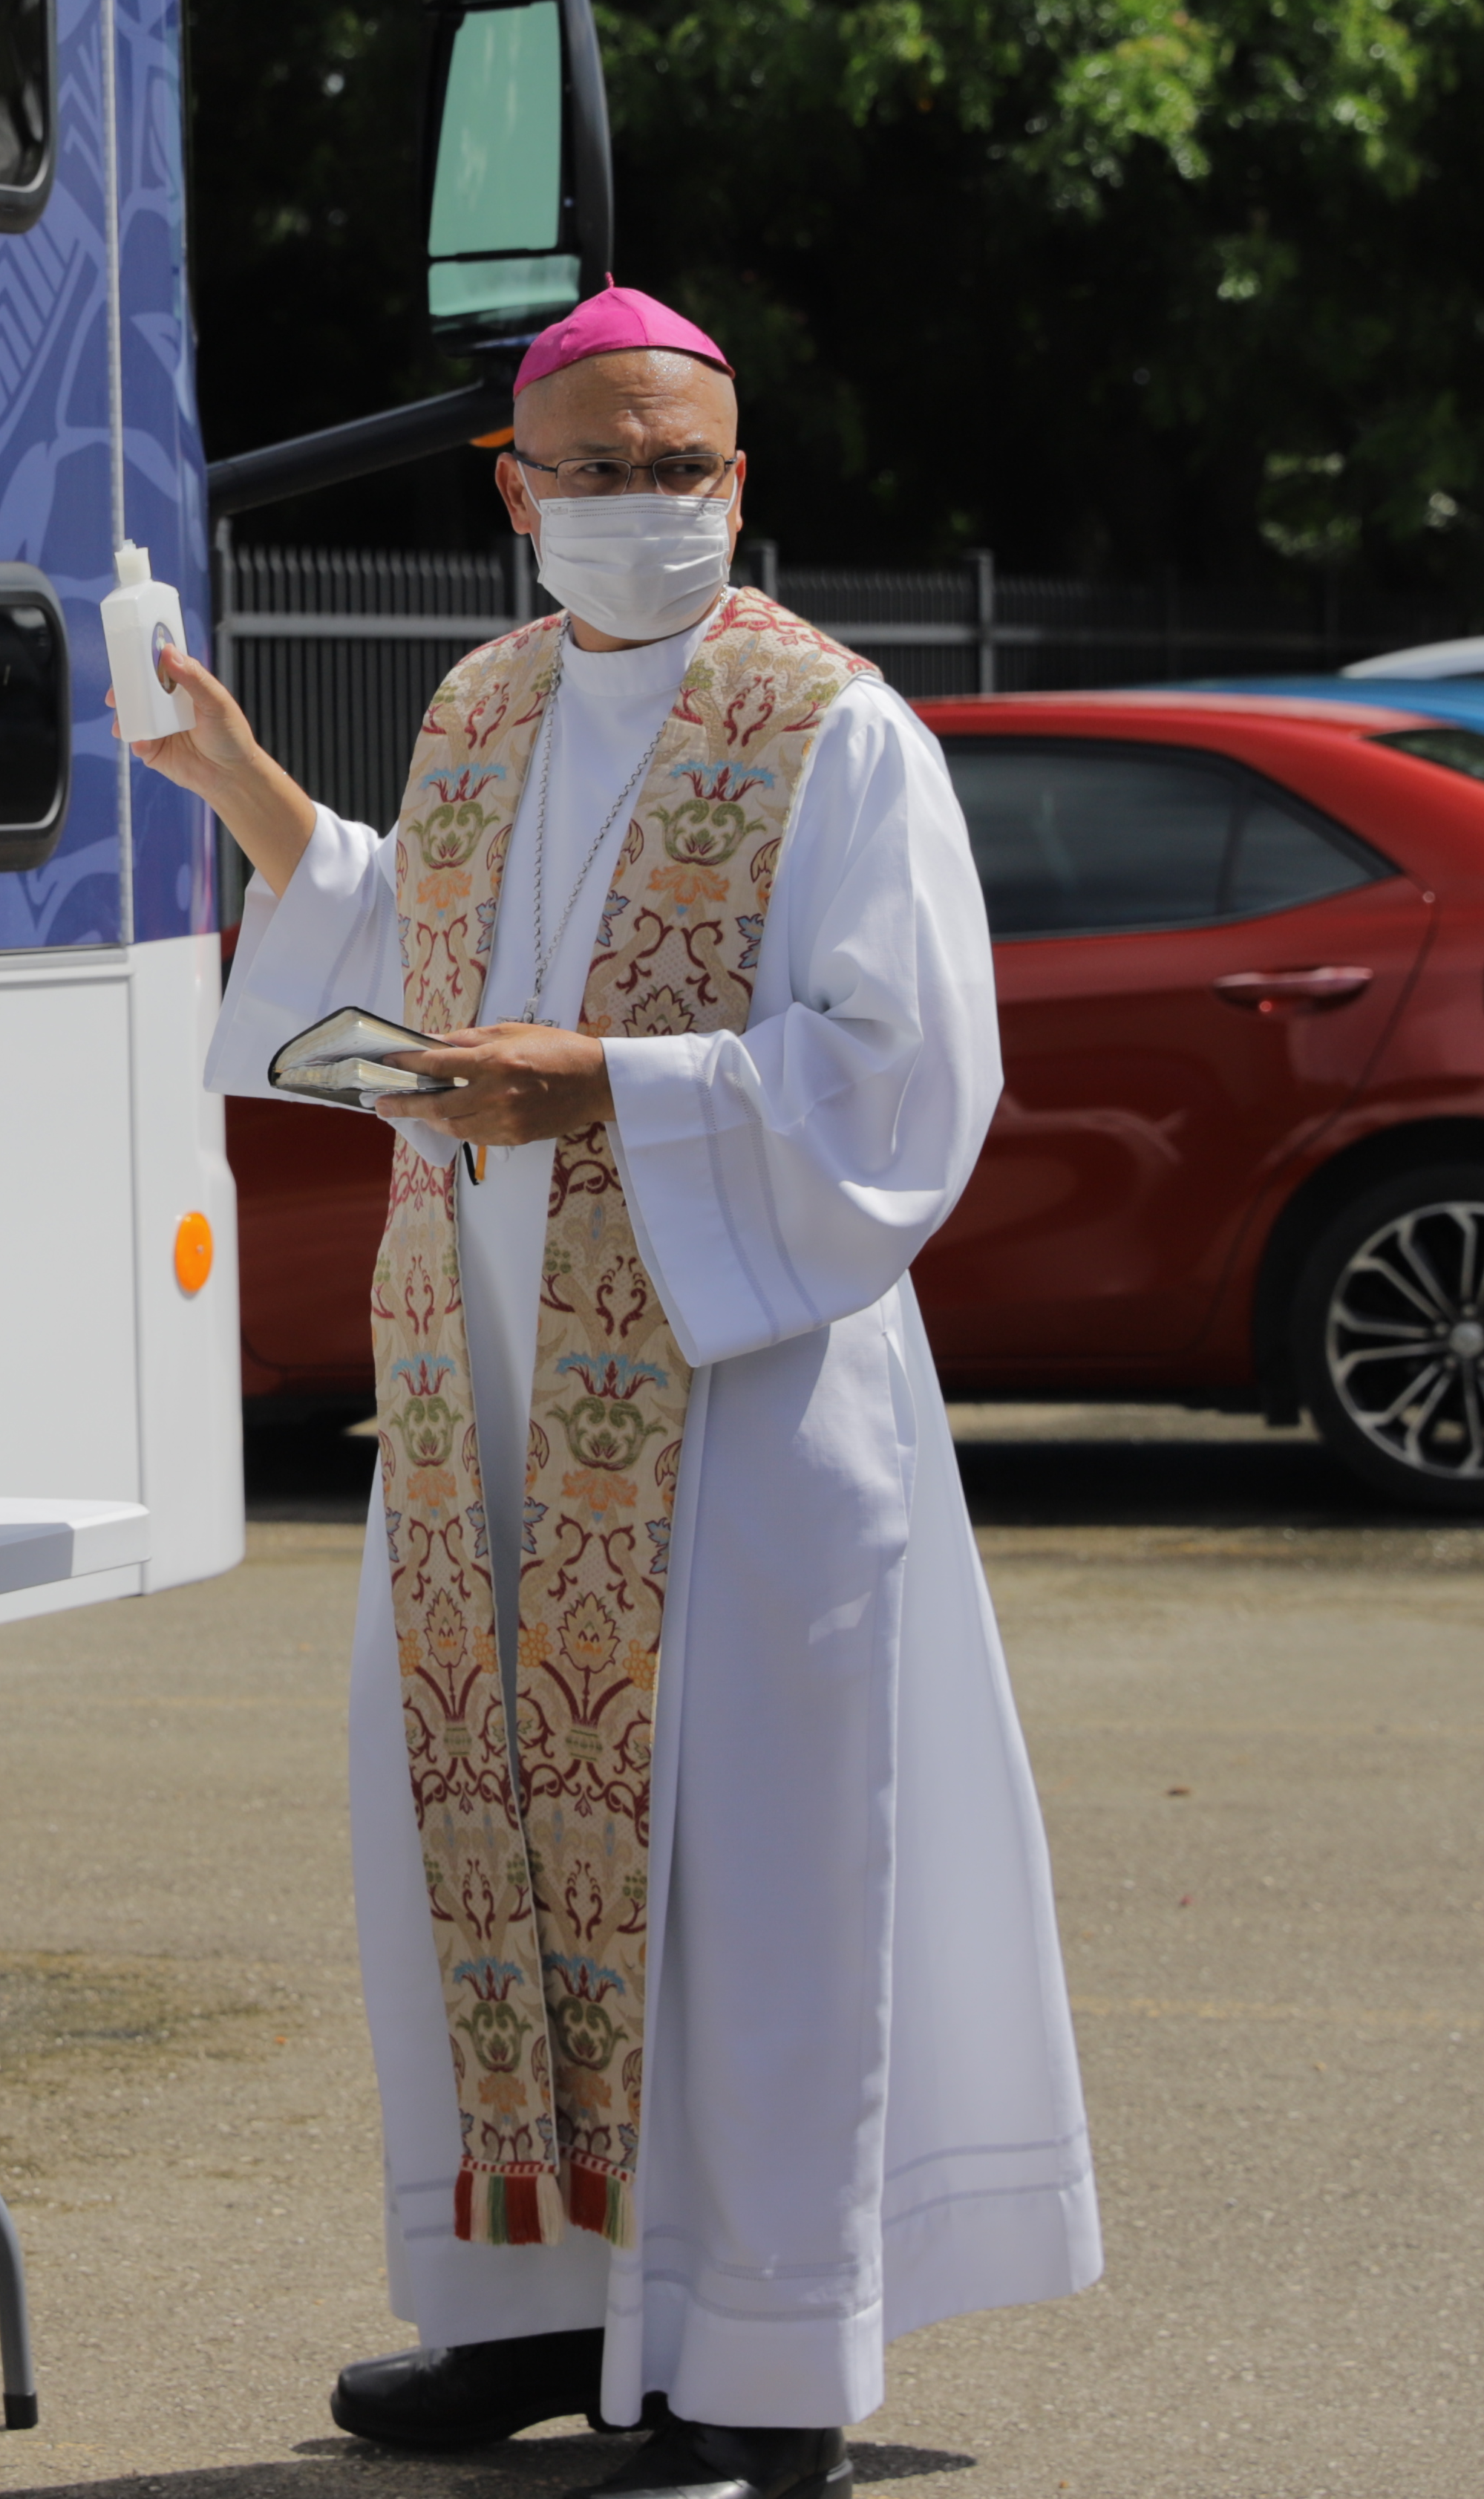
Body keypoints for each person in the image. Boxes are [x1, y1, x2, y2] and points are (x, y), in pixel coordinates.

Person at [133, 289, 1099, 2499]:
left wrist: (616, 1090)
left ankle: (764, 2371)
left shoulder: (834, 733)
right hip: (479, 1389)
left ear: (738, 481)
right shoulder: (476, 709)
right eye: (606, 469)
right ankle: (527, 2313)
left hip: (739, 1411)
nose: (654, 504)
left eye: (691, 468)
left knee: (751, 1887)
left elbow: (906, 1075)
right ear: (518, 491)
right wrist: (254, 795)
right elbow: (428, 964)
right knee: (470, 1857)